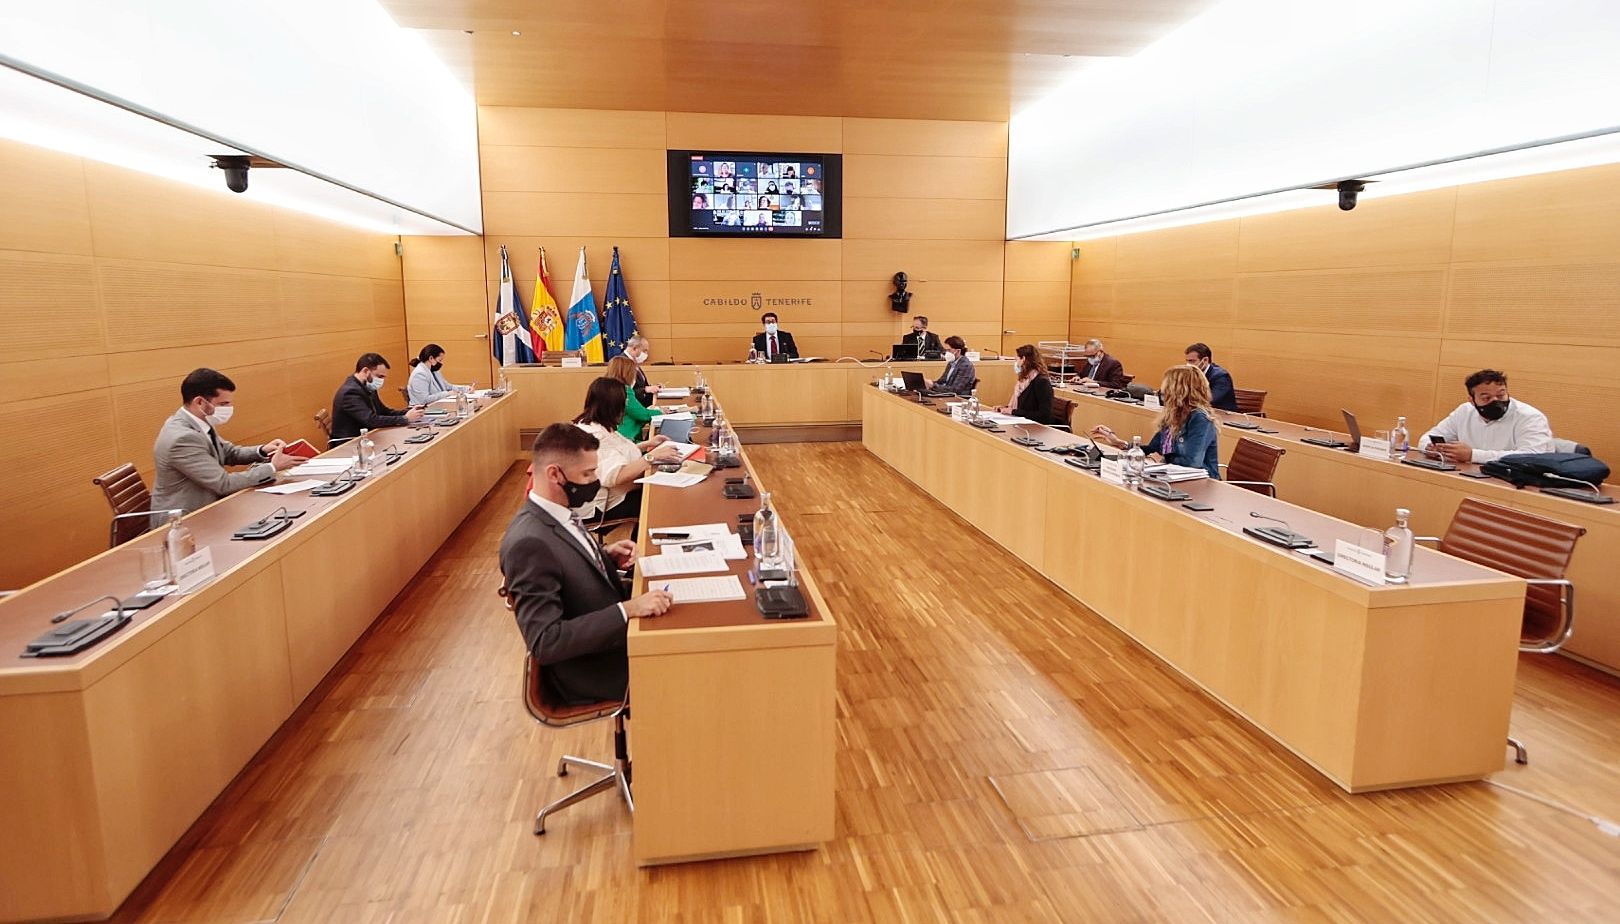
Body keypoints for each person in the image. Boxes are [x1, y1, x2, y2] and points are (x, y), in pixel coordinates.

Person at [499, 423, 674, 705]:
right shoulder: (527, 544)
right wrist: (628, 610)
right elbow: (546, 641)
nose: (595, 480)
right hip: (598, 668)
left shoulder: (556, 511)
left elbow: (564, 564)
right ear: (555, 474)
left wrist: (603, 554)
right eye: (588, 474)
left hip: (614, 640)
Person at [151, 368, 300, 514]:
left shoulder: (199, 421)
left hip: (211, 506)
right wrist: (272, 467)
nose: (229, 408)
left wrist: (261, 450)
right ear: (200, 402)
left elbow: (228, 452)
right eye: (223, 404)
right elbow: (223, 483)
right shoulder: (182, 438)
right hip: (186, 518)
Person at [573, 378, 682, 520]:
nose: (626, 406)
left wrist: (648, 443)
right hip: (604, 506)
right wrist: (651, 457)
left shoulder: (595, 424)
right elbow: (616, 476)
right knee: (659, 503)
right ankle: (640, 540)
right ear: (613, 405)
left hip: (617, 493)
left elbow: (617, 452)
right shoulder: (597, 436)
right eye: (624, 402)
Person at [1089, 365, 1221, 479]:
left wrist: (1162, 459)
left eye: (1166, 386)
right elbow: (1153, 449)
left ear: (1179, 390)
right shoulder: (1173, 415)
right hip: (1172, 477)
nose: (1162, 391)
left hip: (1201, 484)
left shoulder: (1200, 419)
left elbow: (1192, 463)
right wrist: (1120, 443)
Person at [1419, 369, 1555, 464]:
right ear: (1472, 400)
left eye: (1501, 395)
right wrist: (1432, 449)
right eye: (1486, 397)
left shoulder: (1530, 417)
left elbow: (1531, 457)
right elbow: (1426, 438)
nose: (1495, 401)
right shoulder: (1464, 411)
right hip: (1472, 475)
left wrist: (1473, 455)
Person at [329, 352, 424, 446]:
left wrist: (409, 412)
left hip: (368, 437)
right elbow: (371, 420)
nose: (381, 381)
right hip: (350, 444)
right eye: (380, 376)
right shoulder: (350, 392)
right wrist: (405, 419)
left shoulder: (368, 386)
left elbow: (383, 411)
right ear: (366, 371)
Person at [605, 355, 662, 440]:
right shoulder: (624, 390)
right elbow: (642, 415)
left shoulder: (607, 388)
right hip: (627, 438)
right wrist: (660, 411)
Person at [1001, 344, 1054, 424]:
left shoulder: (1041, 382)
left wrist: (1013, 412)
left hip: (1036, 429)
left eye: (1016, 360)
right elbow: (1022, 406)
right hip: (1022, 423)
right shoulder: (1024, 381)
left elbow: (1044, 416)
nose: (1016, 363)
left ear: (1023, 359)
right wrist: (1005, 408)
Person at [1184, 342, 1238, 411]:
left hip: (1222, 416)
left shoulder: (1221, 376)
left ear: (1205, 360)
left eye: (1192, 361)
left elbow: (1210, 400)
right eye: (1187, 361)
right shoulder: (1191, 373)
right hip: (1201, 412)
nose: (1188, 365)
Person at [622, 334, 657, 405]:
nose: (646, 354)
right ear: (634, 348)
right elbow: (622, 391)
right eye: (644, 351)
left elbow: (640, 385)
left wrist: (651, 388)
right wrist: (645, 390)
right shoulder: (622, 362)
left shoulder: (634, 362)